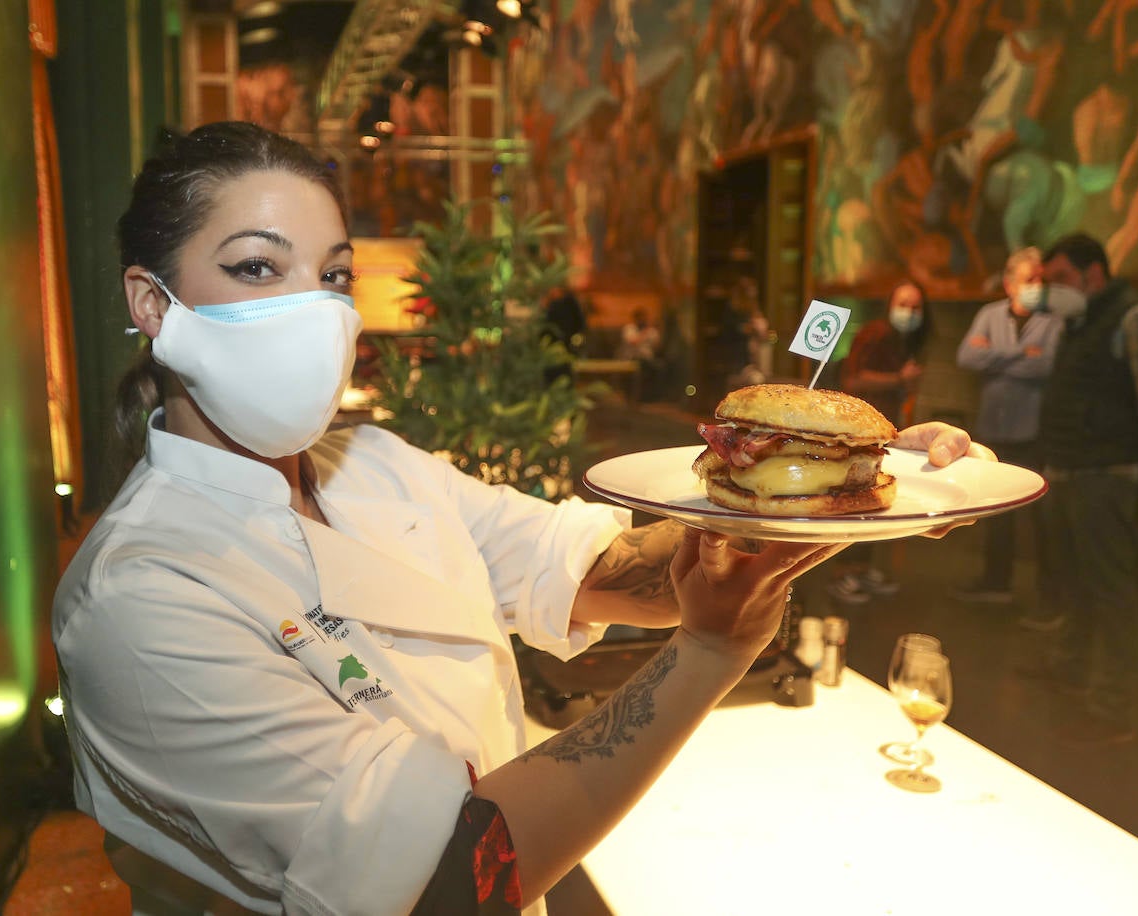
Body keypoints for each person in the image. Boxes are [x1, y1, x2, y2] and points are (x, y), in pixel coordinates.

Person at [53, 121, 988, 915]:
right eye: (258, 267)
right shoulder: (139, 599)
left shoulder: (375, 465)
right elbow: (446, 879)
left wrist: (828, 494)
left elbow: (599, 568)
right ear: (152, 303)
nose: (313, 309)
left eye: (333, 275)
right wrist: (707, 655)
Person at [1024, 232, 1138, 748]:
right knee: (1074, 576)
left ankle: (1112, 706)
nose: (1054, 290)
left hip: (1107, 471)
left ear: (1095, 273)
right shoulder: (1082, 319)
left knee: (1110, 586)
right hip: (1069, 467)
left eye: (1062, 279)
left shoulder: (1137, 317)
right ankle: (1071, 667)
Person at [954, 247, 1062, 610]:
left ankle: (1050, 596)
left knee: (1041, 517)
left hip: (1033, 433)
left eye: (1042, 280)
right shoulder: (989, 314)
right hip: (993, 429)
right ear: (1009, 284)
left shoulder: (1054, 321)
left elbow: (1046, 366)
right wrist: (1020, 354)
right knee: (996, 512)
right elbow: (967, 357)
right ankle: (995, 582)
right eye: (1030, 280)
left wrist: (995, 357)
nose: (1038, 286)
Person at [828, 280, 930, 604]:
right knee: (851, 498)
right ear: (889, 304)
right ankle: (842, 573)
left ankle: (860, 568)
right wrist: (899, 379)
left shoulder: (905, 341)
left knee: (871, 500)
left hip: (882, 432)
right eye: (903, 304)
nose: (909, 312)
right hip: (857, 433)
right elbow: (853, 378)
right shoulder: (874, 333)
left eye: (916, 307)